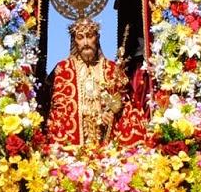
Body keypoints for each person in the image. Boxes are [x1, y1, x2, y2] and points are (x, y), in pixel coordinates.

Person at [41, 16, 147, 148]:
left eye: (90, 36)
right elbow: (49, 107)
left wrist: (113, 114)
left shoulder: (112, 69)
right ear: (75, 41)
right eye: (80, 37)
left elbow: (127, 103)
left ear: (97, 38)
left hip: (106, 143)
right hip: (72, 146)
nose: (85, 42)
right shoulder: (63, 69)